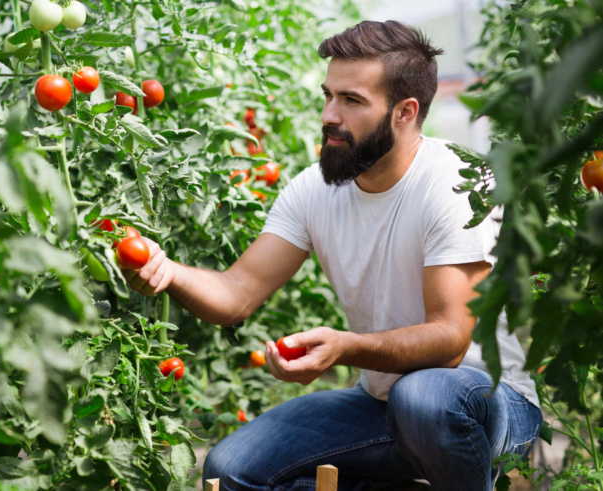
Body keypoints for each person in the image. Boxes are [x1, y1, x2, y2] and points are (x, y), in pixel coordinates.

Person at [121, 20, 542, 491]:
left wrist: (346, 346)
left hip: (485, 404)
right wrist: (167, 271)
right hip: (382, 407)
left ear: (404, 112)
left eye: (352, 100)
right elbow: (236, 294)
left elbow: (450, 341)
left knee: (423, 397)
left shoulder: (457, 182)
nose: (329, 115)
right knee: (231, 469)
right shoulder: (313, 189)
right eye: (329, 95)